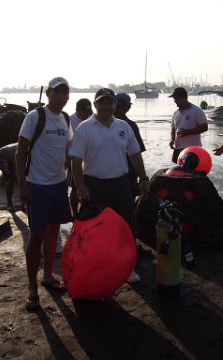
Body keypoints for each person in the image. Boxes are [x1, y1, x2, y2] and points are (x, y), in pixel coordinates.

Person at [68, 88, 150, 284]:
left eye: (110, 102)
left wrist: (144, 178)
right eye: (102, 102)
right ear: (95, 104)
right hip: (94, 186)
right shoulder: (84, 129)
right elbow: (75, 160)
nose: (106, 106)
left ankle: (128, 268)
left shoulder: (123, 126)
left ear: (115, 104)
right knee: (94, 230)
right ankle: (98, 268)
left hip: (121, 184)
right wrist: (79, 186)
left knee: (128, 227)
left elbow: (135, 154)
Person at [16, 77, 73, 311]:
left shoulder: (66, 118)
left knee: (53, 231)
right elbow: (21, 153)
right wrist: (23, 187)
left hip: (59, 185)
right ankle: (32, 289)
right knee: (36, 235)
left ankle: (48, 275)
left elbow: (68, 151)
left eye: (65, 93)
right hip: (37, 185)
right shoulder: (35, 117)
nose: (61, 96)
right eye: (57, 92)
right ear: (48, 93)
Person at [114, 92, 146, 199]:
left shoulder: (99, 124)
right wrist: (143, 178)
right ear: (128, 107)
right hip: (128, 176)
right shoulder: (130, 125)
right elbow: (137, 154)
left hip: (103, 179)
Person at [169, 87, 208, 163]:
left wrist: (188, 132)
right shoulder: (175, 113)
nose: (174, 101)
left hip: (193, 149)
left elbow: (204, 127)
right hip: (178, 148)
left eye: (176, 99)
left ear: (183, 97)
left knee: (191, 171)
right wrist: (172, 140)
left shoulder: (196, 110)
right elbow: (173, 129)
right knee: (176, 168)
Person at [68, 98, 93, 216]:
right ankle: (75, 213)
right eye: (83, 113)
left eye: (88, 113)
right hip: (73, 158)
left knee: (88, 187)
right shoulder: (69, 121)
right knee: (75, 186)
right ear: (77, 110)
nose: (86, 116)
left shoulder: (92, 120)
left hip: (88, 160)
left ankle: (85, 210)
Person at [0, 142, 25, 212]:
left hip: (12, 155)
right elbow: (18, 175)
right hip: (3, 155)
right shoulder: (21, 151)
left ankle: (23, 205)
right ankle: (9, 203)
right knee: (10, 178)